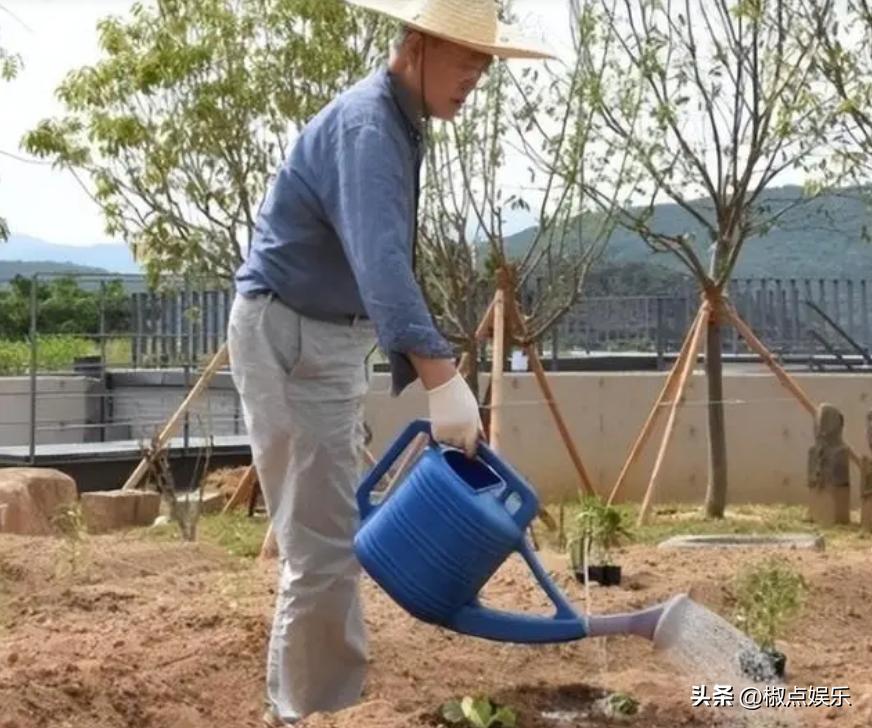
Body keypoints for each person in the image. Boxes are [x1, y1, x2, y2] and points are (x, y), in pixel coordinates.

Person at [226, 0, 553, 724]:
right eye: (466, 58)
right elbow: (380, 266)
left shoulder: (403, 123)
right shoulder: (372, 125)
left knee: (333, 538)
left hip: (331, 339)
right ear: (414, 44)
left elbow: (379, 266)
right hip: (290, 336)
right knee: (321, 551)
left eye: (484, 63)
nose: (476, 76)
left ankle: (326, 703)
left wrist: (436, 374)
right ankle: (308, 713)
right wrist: (441, 378)